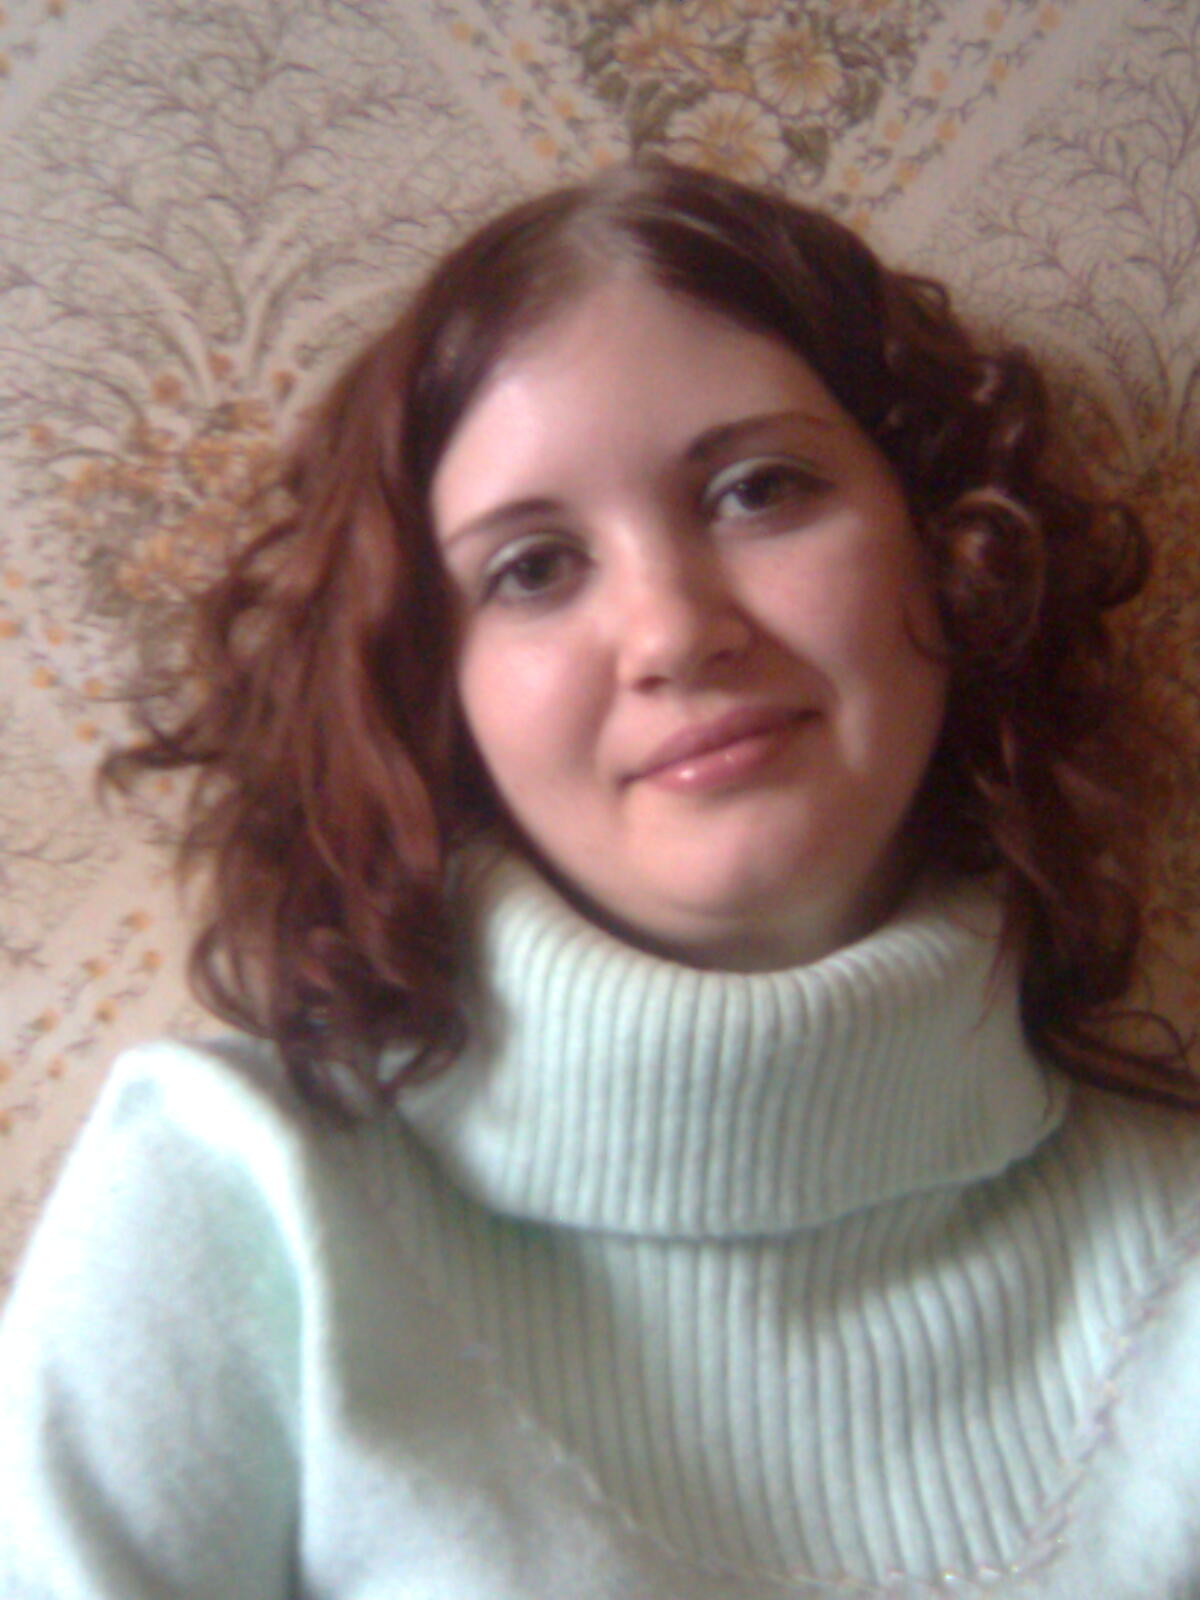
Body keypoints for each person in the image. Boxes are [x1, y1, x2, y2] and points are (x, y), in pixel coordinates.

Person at [1, 158, 1198, 1600]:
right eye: (531, 569)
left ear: (953, 549)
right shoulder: (235, 1195)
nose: (673, 632)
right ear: (431, 693)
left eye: (759, 491)